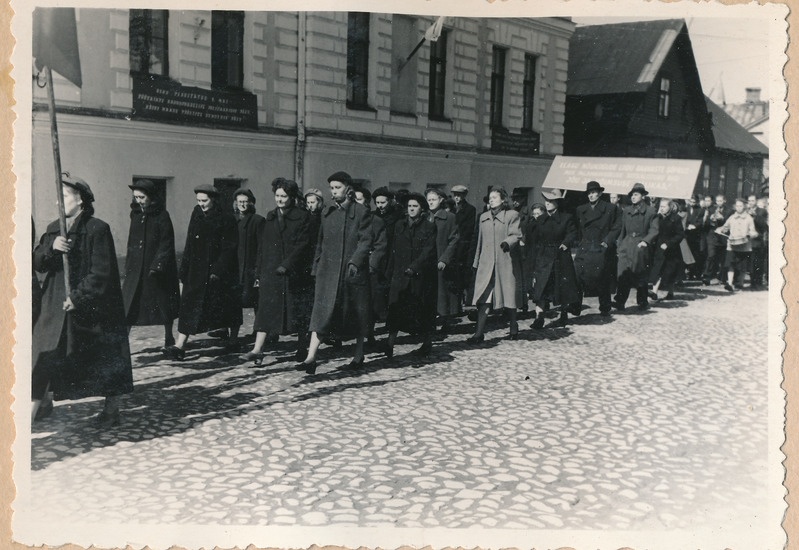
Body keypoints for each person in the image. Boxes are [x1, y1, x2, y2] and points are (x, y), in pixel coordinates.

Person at [32, 174, 133, 427]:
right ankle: (40, 403)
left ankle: (112, 409)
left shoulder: (98, 229)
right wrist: (51, 248)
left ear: (81, 200)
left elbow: (101, 273)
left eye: (63, 196)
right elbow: (39, 263)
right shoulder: (54, 229)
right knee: (43, 353)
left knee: (105, 356)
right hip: (55, 303)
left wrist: (77, 297)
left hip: (91, 306)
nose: (58, 202)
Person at [300, 171, 373, 374]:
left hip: (351, 273)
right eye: (331, 188)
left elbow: (366, 241)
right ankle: (311, 357)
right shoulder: (327, 212)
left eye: (337, 187)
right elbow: (320, 243)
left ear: (348, 189)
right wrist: (316, 267)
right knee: (320, 314)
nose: (334, 191)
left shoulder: (361, 212)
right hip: (328, 272)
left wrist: (356, 262)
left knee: (357, 315)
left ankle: (358, 355)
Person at [164, 184, 242, 360]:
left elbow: (230, 247)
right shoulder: (197, 213)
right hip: (196, 270)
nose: (202, 204)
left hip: (220, 272)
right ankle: (179, 345)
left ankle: (234, 339)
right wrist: (183, 271)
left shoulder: (226, 218)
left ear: (213, 199)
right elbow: (190, 242)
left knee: (229, 307)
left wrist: (218, 270)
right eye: (198, 201)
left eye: (205, 201)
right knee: (189, 306)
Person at [240, 178, 314, 363]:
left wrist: (288, 265)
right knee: (265, 311)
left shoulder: (302, 217)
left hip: (293, 274)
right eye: (277, 196)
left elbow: (303, 245)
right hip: (271, 273)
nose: (280, 199)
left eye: (284, 196)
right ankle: (257, 349)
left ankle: (301, 347)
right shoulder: (271, 216)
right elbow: (263, 247)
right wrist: (258, 272)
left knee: (298, 313)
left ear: (292, 197)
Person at [121, 179, 180, 350]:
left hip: (155, 269)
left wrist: (158, 264)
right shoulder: (135, 214)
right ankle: (124, 341)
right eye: (136, 197)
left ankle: (169, 337)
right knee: (129, 303)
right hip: (136, 267)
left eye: (142, 197)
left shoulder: (162, 215)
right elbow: (132, 240)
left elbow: (166, 242)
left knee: (163, 304)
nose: (138, 201)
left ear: (151, 197)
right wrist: (129, 264)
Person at [383, 192, 438, 358]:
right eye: (410, 206)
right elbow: (393, 250)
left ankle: (427, 343)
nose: (412, 209)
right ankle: (389, 344)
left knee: (423, 310)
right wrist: (389, 272)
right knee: (395, 309)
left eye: (415, 206)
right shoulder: (399, 225)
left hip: (420, 276)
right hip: (400, 274)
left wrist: (415, 267)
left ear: (421, 209)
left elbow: (429, 250)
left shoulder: (429, 227)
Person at [468, 187, 522, 342]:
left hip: (504, 263)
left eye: (494, 197)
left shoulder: (512, 215)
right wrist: (476, 261)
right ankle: (478, 334)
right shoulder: (483, 217)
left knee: (508, 296)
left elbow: (516, 235)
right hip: (486, 264)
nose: (491, 200)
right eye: (490, 197)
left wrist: (507, 242)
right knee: (484, 298)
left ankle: (513, 325)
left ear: (503, 200)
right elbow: (479, 241)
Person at [526, 188, 581, 328]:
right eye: (547, 200)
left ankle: (563, 314)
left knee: (561, 287)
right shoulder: (541, 219)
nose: (548, 203)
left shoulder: (566, 217)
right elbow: (533, 237)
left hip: (559, 256)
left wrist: (565, 243)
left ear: (558, 202)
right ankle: (539, 318)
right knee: (541, 288)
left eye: (551, 200)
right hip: (543, 257)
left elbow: (572, 232)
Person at [573, 180, 621, 317]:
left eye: (594, 192)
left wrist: (607, 242)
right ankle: (576, 306)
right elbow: (579, 229)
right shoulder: (581, 209)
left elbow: (617, 227)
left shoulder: (610, 209)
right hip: (586, 247)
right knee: (577, 275)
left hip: (602, 247)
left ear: (600, 193)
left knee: (603, 277)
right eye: (589, 193)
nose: (591, 195)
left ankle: (605, 306)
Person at [615, 182, 660, 311]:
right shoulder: (627, 211)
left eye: (636, 194)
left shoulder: (651, 211)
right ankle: (620, 301)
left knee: (640, 274)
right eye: (632, 195)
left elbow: (654, 230)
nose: (633, 197)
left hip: (641, 245)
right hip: (626, 245)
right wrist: (619, 245)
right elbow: (622, 230)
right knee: (623, 273)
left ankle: (642, 301)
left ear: (643, 196)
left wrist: (646, 241)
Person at [425, 188, 461, 331]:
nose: (431, 202)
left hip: (442, 259)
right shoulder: (425, 216)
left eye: (434, 199)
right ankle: (429, 322)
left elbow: (454, 239)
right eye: (429, 200)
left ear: (441, 200)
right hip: (427, 260)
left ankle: (446, 321)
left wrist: (445, 258)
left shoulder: (449, 217)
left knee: (443, 292)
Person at [371, 187, 403, 325]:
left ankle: (391, 314)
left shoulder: (399, 216)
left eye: (382, 202)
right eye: (377, 202)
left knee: (390, 283)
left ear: (390, 201)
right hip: (379, 253)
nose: (379, 206)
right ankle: (379, 313)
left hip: (393, 254)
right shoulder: (373, 216)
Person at [234, 188, 266, 324]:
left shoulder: (258, 221)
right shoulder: (232, 219)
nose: (242, 204)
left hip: (250, 266)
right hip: (235, 265)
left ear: (251, 203)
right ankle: (227, 329)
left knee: (255, 299)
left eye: (245, 202)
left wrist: (258, 270)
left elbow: (261, 247)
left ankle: (259, 328)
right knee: (233, 298)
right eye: (239, 201)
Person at [717, 198, 758, 291]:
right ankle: (730, 283)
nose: (738, 208)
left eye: (740, 206)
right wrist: (721, 229)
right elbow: (725, 227)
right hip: (732, 244)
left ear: (744, 207)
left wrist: (752, 234)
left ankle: (740, 284)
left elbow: (753, 230)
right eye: (737, 206)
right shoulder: (731, 217)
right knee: (730, 264)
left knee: (742, 266)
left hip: (744, 245)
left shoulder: (749, 218)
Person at [648, 198, 685, 300]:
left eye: (664, 206)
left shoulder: (676, 218)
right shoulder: (657, 218)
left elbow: (680, 235)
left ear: (670, 207)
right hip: (659, 248)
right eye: (660, 206)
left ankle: (670, 292)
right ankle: (654, 292)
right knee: (658, 270)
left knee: (670, 272)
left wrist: (669, 244)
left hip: (671, 250)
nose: (662, 208)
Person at [450, 184, 477, 308]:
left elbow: (468, 230)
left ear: (464, 195)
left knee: (459, 275)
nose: (456, 197)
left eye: (459, 195)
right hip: (451, 244)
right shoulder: (450, 208)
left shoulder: (470, 209)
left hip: (462, 246)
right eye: (455, 195)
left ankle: (459, 303)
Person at [702, 194, 731, 285]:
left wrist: (722, 218)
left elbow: (729, 223)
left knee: (723, 258)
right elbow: (705, 225)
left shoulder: (729, 211)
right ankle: (707, 276)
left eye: (720, 201)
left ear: (724, 201)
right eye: (717, 201)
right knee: (711, 255)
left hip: (723, 236)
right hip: (712, 236)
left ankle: (722, 278)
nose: (718, 203)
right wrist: (709, 219)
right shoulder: (711, 210)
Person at [748, 194, 768, 290]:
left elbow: (764, 226)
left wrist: (755, 216)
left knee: (757, 262)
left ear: (756, 201)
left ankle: (757, 282)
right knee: (751, 262)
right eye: (749, 201)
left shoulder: (762, 211)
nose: (751, 203)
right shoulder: (745, 211)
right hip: (747, 240)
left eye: (752, 200)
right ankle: (752, 282)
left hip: (757, 240)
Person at [684, 194, 706, 280]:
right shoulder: (686, 209)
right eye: (691, 202)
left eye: (694, 202)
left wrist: (695, 226)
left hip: (695, 235)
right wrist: (686, 226)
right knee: (686, 254)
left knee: (694, 254)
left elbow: (700, 222)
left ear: (696, 202)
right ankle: (686, 271)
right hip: (686, 234)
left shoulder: (699, 210)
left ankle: (692, 273)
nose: (692, 203)